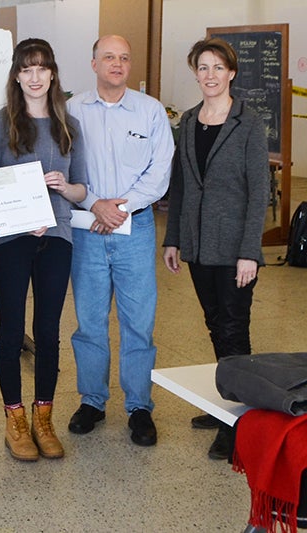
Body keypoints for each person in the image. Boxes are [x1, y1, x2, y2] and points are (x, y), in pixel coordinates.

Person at [162, 38, 269, 460]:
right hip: (198, 244)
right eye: (202, 67)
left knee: (233, 329)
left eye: (217, 67)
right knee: (214, 324)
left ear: (232, 73)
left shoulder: (248, 123)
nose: (210, 75)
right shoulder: (189, 121)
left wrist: (249, 251)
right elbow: (182, 185)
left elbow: (258, 192)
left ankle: (240, 422)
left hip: (233, 247)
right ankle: (227, 398)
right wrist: (173, 239)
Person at [66, 35, 174, 446]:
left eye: (124, 58)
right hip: (87, 226)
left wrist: (120, 208)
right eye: (108, 57)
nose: (116, 63)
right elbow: (66, 168)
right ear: (93, 63)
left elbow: (159, 171)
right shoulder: (72, 111)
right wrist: (97, 205)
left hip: (135, 227)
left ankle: (139, 407)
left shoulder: (150, 111)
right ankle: (92, 401)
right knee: (89, 321)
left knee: (138, 323)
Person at [0, 38, 87, 462]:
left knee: (47, 331)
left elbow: (82, 189)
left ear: (52, 73)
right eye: (27, 68)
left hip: (57, 237)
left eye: (42, 67)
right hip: (10, 241)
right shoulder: (0, 123)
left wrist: (66, 187)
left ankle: (44, 418)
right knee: (11, 329)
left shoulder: (69, 125)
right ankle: (15, 419)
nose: (35, 76)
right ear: (16, 75)